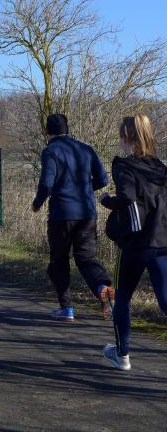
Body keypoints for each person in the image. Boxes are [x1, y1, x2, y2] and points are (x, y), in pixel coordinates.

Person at [99, 114, 167, 370]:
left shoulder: (124, 166)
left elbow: (126, 198)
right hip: (163, 242)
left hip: (136, 243)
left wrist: (107, 200)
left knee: (123, 297)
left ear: (126, 137)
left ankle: (122, 354)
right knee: (165, 299)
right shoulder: (160, 167)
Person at [32, 113, 114, 322]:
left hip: (62, 214)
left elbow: (47, 183)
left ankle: (66, 308)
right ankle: (102, 287)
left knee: (59, 261)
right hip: (87, 212)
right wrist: (84, 189)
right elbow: (103, 179)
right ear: (67, 129)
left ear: (47, 131)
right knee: (87, 258)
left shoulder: (50, 151)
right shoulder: (86, 149)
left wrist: (37, 203)